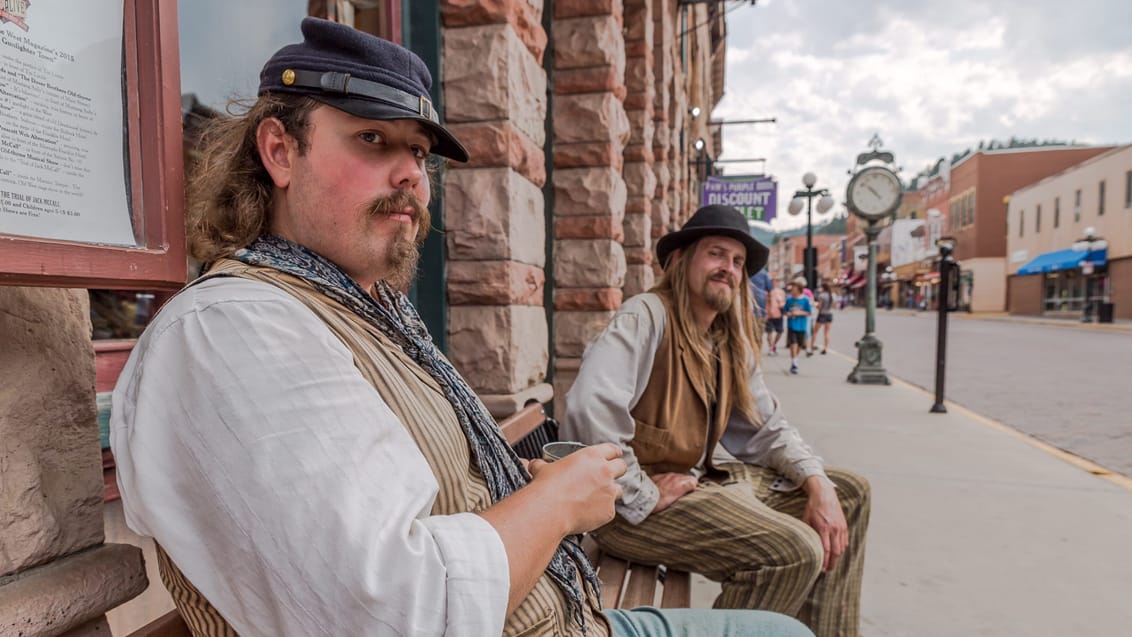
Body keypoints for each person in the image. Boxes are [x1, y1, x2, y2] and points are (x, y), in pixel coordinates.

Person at [109, 19, 812, 637]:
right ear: (279, 151)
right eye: (373, 138)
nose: (411, 174)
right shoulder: (234, 331)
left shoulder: (363, 306)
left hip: (568, 609)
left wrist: (532, 486)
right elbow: (387, 610)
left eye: (418, 151)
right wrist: (558, 500)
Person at [561, 205, 871, 637]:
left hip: (691, 483)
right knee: (791, 550)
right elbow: (588, 408)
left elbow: (768, 430)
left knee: (849, 493)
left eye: (738, 262)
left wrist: (817, 482)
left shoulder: (727, 340)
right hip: (624, 511)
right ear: (680, 260)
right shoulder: (647, 314)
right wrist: (642, 491)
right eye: (717, 254)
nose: (728, 268)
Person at [784, 278, 813, 374]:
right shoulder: (789, 300)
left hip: (801, 326)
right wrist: (788, 314)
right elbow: (785, 311)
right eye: (791, 289)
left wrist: (799, 313)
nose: (791, 290)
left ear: (799, 289)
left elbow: (809, 313)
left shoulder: (805, 300)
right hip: (792, 325)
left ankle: (795, 359)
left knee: (799, 345)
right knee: (793, 344)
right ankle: (794, 363)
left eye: (793, 289)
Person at [810, 282, 834, 355]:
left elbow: (819, 307)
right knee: (826, 333)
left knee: (815, 332)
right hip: (829, 314)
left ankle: (811, 347)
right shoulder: (832, 295)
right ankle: (825, 348)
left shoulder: (822, 296)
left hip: (822, 314)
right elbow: (834, 306)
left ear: (823, 288)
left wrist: (815, 305)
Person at [749, 266, 774, 335]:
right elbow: (771, 291)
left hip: (752, 308)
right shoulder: (764, 273)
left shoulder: (745, 270)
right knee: (758, 333)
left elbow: (771, 291)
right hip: (759, 308)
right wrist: (771, 308)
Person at [765, 280, 786, 355]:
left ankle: (774, 345)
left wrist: (782, 305)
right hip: (768, 315)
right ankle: (771, 347)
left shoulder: (781, 292)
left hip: (778, 314)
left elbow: (783, 302)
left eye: (775, 282)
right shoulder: (766, 291)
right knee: (769, 332)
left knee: (780, 331)